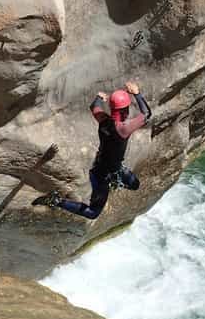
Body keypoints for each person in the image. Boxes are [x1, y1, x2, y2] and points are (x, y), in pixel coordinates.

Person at [32, 81, 151, 219]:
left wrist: (99, 97)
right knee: (93, 213)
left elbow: (94, 106)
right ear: (125, 110)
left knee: (135, 184)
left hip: (110, 167)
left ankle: (113, 181)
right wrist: (137, 93)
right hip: (101, 176)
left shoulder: (104, 119)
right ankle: (56, 201)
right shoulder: (123, 129)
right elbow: (146, 114)